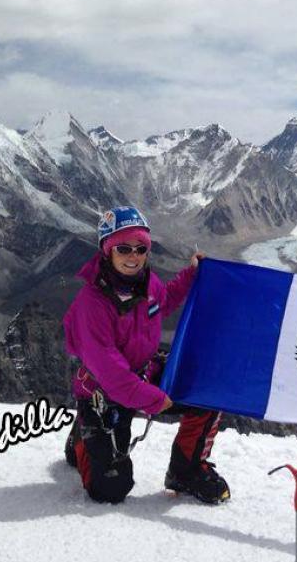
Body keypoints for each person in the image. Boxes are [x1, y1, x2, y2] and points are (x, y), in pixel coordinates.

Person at [63, 205, 230, 505]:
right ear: (107, 251)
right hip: (103, 393)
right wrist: (154, 399)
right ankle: (82, 439)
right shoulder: (92, 304)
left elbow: (162, 303)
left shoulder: (146, 283)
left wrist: (192, 274)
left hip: (142, 373)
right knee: (110, 489)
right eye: (123, 248)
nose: (133, 256)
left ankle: (185, 471)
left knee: (206, 389)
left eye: (140, 248)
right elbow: (112, 375)